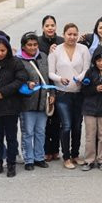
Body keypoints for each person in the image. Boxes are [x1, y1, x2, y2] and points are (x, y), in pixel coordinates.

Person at [0, 32, 28, 178]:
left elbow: (21, 79)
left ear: (8, 49)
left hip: (10, 106)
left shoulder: (15, 62)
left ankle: (11, 163)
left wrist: (4, 91)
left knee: (11, 136)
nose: (0, 53)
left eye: (3, 50)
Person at [48, 23, 91, 168]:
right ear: (64, 34)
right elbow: (50, 72)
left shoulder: (83, 49)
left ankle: (75, 154)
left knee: (77, 126)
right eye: (69, 34)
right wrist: (60, 79)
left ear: (78, 35)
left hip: (79, 93)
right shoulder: (56, 50)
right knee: (66, 125)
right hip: (62, 93)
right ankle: (66, 157)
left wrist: (79, 77)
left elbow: (87, 68)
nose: (72, 37)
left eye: (74, 34)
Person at [18, 32, 51, 171]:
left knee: (40, 131)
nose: (32, 47)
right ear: (23, 46)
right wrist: (27, 83)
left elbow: (48, 78)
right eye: (29, 45)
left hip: (43, 102)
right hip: (27, 103)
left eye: (35, 44)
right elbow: (17, 78)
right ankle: (28, 159)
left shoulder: (43, 56)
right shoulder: (18, 60)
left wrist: (52, 94)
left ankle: (39, 157)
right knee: (28, 132)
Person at [80, 47, 102, 171]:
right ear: (95, 61)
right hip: (89, 108)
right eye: (99, 61)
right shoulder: (89, 72)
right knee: (90, 135)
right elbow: (83, 90)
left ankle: (101, 159)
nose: (101, 63)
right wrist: (95, 89)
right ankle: (89, 160)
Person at [37, 15, 64, 162]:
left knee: (57, 120)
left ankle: (55, 149)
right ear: (43, 27)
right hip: (43, 86)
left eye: (52, 25)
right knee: (46, 120)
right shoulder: (38, 42)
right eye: (47, 25)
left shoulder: (61, 41)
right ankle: (46, 150)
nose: (50, 28)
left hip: (59, 84)